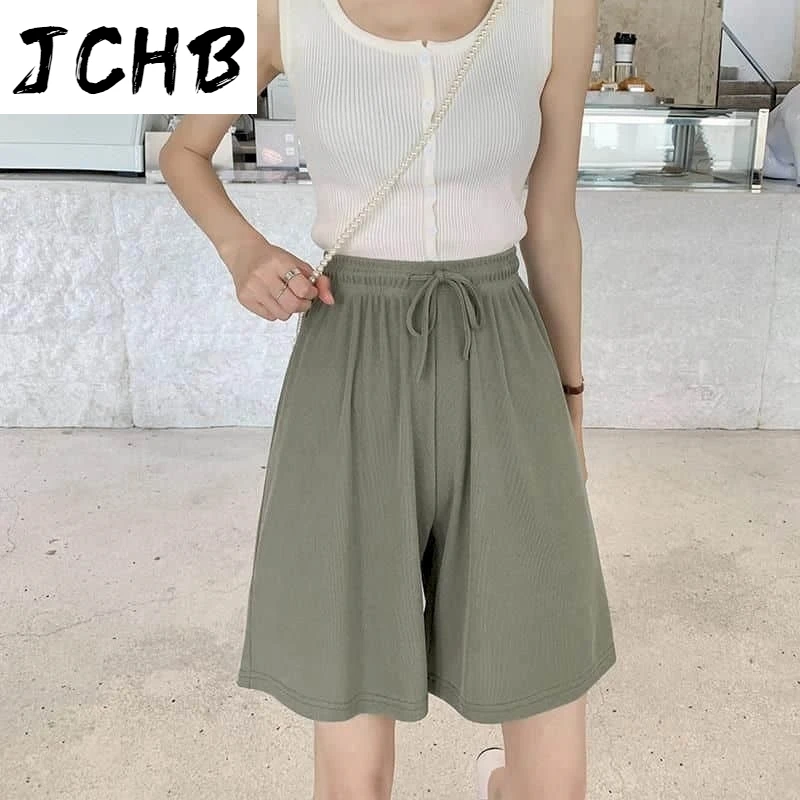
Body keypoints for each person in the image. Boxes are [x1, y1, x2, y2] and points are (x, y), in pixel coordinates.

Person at [159, 0, 617, 797]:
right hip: (349, 356)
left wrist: (570, 400)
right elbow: (184, 151)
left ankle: (503, 784)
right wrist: (243, 250)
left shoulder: (557, 10)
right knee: (353, 752)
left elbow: (551, 218)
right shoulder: (280, 10)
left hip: (503, 353)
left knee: (550, 723)